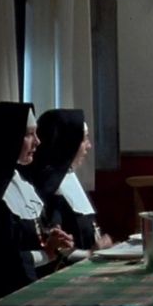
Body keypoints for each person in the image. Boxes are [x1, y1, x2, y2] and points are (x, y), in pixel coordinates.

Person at [0, 102, 73, 306]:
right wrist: (46, 253)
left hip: (30, 292)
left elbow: (26, 238)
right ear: (5, 138)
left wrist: (51, 240)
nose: (38, 141)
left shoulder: (20, 180)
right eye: (29, 134)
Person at [25, 109, 113, 263]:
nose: (89, 146)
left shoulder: (69, 178)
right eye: (84, 139)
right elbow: (57, 248)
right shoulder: (48, 188)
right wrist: (91, 254)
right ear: (68, 143)